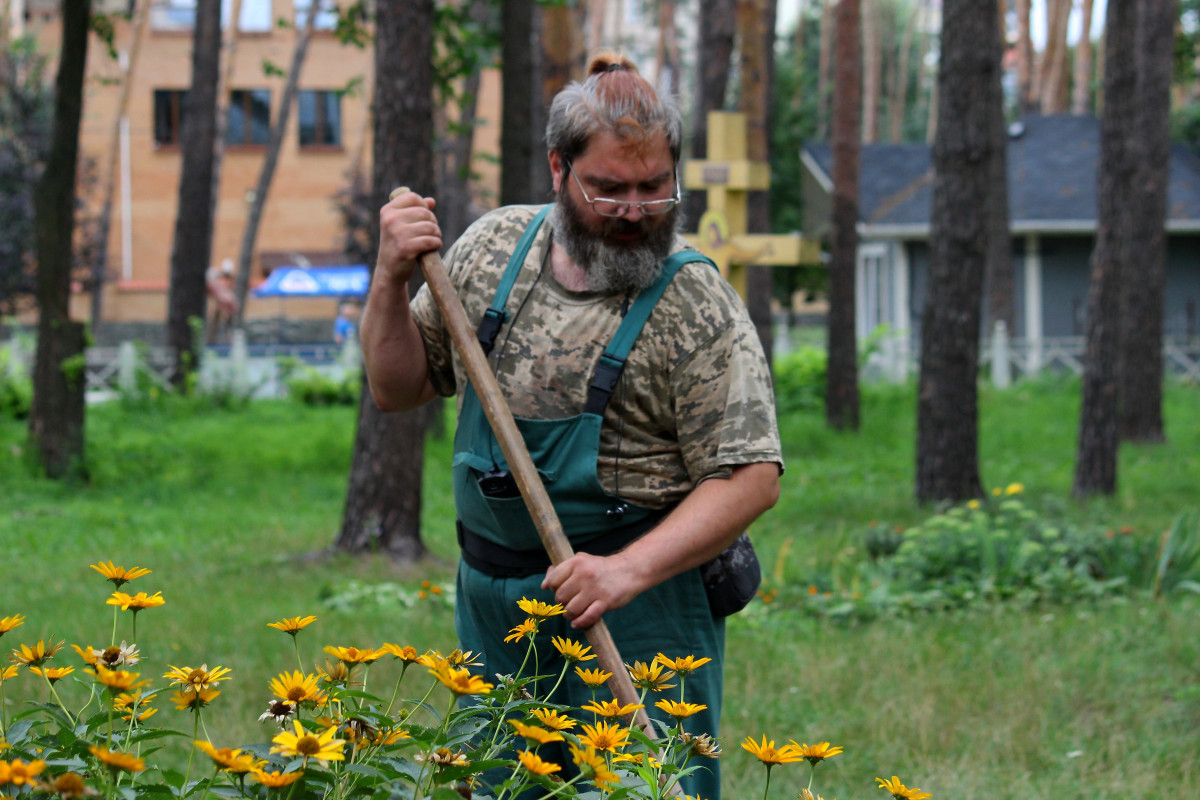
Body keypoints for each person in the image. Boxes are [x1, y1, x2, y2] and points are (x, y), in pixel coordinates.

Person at [361, 53, 782, 799]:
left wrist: (624, 572)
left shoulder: (695, 303)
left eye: (656, 188)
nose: (636, 211)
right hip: (495, 609)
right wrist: (390, 280)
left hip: (639, 620)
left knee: (639, 789)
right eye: (610, 189)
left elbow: (749, 476)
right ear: (558, 168)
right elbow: (398, 387)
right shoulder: (494, 251)